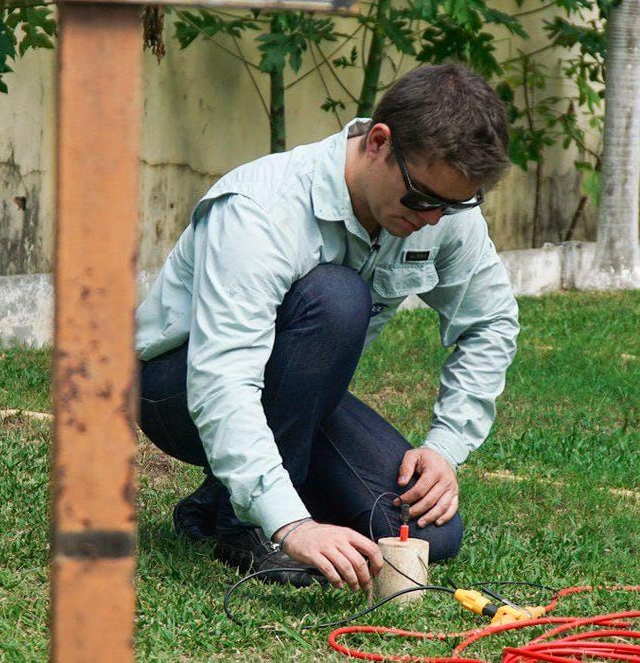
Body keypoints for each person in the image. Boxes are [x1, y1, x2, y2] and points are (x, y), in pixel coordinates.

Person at [135, 62, 519, 592]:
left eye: (454, 204)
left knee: (429, 533)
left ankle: (220, 498)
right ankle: (248, 524)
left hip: (295, 396)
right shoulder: (262, 209)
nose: (435, 218)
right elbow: (222, 378)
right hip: (176, 389)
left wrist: (444, 446)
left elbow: (491, 322)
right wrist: (292, 526)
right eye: (425, 198)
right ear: (378, 143)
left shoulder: (441, 210)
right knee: (337, 299)